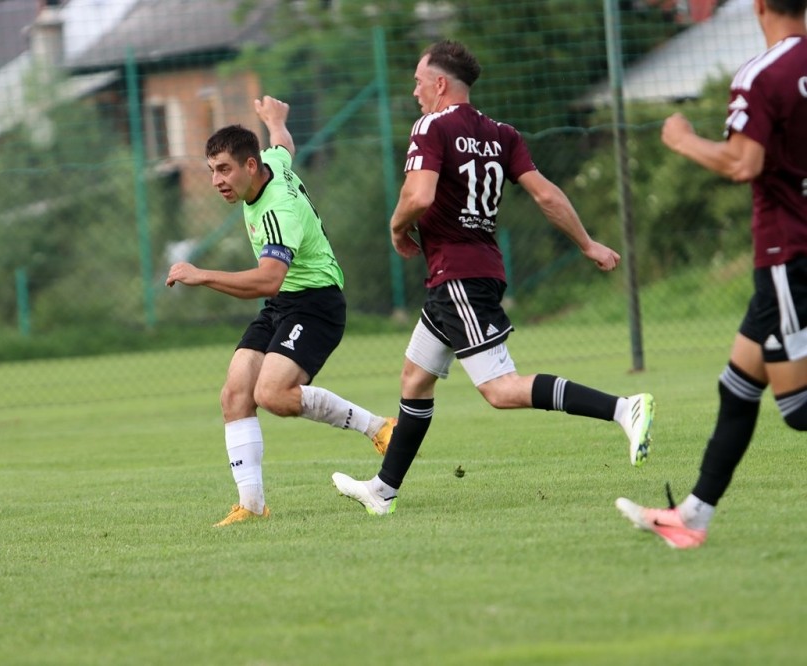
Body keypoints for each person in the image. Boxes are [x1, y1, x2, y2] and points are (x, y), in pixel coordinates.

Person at [331, 40, 655, 516]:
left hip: (458, 277)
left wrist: (397, 228)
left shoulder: (431, 126)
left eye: (419, 82)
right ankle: (383, 490)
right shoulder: (503, 134)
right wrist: (587, 243)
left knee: (500, 390)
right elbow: (546, 196)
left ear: (440, 83)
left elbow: (418, 196)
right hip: (472, 273)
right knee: (415, 379)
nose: (415, 92)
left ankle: (624, 408)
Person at [616, 0, 807, 549]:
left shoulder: (762, 74)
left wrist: (681, 138)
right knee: (737, 386)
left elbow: (743, 162)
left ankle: (693, 516)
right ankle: (693, 516)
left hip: (788, 253)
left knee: (798, 408)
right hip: (790, 256)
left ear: (760, 6)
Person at [166, 95, 396, 527]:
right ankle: (252, 506)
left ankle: (379, 428)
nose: (216, 180)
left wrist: (202, 275)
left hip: (316, 304)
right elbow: (283, 147)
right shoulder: (271, 164)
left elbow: (268, 279)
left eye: (224, 169)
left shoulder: (277, 210)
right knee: (235, 394)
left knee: (272, 395)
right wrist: (276, 119)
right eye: (212, 170)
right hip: (284, 303)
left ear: (250, 166)